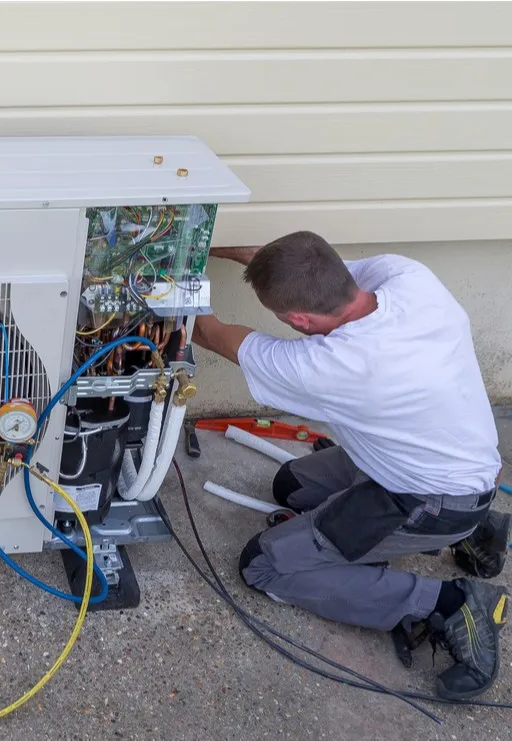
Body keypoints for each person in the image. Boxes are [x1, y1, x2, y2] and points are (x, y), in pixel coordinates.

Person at [192, 231, 508, 700]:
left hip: (428, 498)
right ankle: (478, 529)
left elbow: (205, 331)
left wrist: (175, 273)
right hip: (447, 460)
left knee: (265, 565)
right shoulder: (407, 278)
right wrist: (197, 246)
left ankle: (451, 603)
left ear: (297, 318)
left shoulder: (336, 365)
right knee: (291, 487)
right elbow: (278, 260)